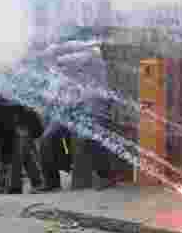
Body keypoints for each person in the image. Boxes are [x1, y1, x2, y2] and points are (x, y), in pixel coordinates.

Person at [33, 29, 119, 194]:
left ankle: (106, 176)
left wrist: (50, 51)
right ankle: (52, 182)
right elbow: (57, 72)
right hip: (71, 105)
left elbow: (62, 59)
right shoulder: (68, 59)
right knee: (46, 139)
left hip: (92, 103)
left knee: (88, 138)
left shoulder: (92, 53)